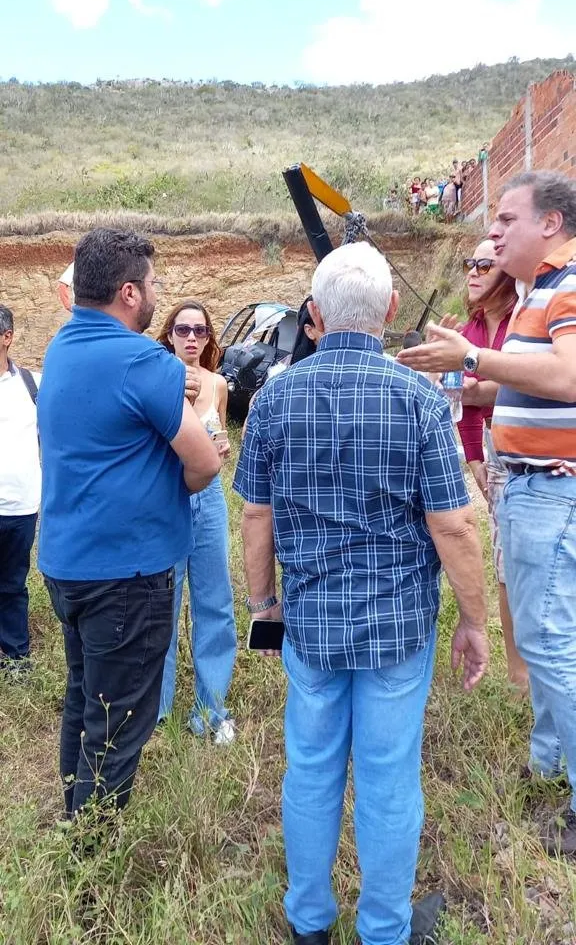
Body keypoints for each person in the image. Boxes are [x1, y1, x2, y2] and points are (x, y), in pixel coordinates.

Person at [234, 242, 489, 945]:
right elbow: (454, 525)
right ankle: (383, 929)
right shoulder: (419, 399)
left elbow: (256, 514)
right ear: (392, 310)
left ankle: (309, 921)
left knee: (310, 768)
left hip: (310, 622)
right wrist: (475, 620)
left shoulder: (275, 397)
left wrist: (263, 608)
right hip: (398, 629)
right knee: (388, 776)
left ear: (312, 314)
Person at [397, 170, 576, 856]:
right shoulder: (541, 294)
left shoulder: (565, 287)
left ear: (551, 223)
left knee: (550, 642)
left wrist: (472, 355)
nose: (493, 233)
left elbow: (567, 378)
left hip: (549, 494)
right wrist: (470, 375)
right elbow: (539, 389)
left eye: (505, 219)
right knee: (550, 638)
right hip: (532, 486)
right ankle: (546, 763)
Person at [38, 229, 221, 819]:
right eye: (152, 284)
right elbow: (205, 460)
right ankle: (93, 871)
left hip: (67, 565)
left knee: (83, 703)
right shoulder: (140, 360)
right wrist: (170, 490)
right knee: (116, 730)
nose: (156, 292)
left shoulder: (61, 348)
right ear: (128, 293)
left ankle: (74, 822)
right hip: (127, 575)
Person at [156, 300, 237, 744]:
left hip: (208, 501)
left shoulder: (218, 384)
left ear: (208, 339)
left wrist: (219, 450)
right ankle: (157, 711)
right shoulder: (157, 381)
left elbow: (218, 443)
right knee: (162, 606)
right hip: (167, 499)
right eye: (183, 329)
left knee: (215, 603)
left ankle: (210, 710)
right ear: (169, 334)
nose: (191, 337)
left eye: (200, 331)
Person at [457, 241, 528, 690]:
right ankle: (519, 675)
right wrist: (475, 458)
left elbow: (530, 381)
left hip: (537, 448)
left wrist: (481, 388)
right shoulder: (471, 327)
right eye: (470, 263)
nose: (474, 271)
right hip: (495, 451)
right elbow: (461, 400)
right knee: (506, 566)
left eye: (486, 263)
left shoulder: (527, 319)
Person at [0, 306, 41, 669]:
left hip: (20, 506)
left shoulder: (32, 384)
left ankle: (15, 657)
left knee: (13, 583)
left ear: (7, 337)